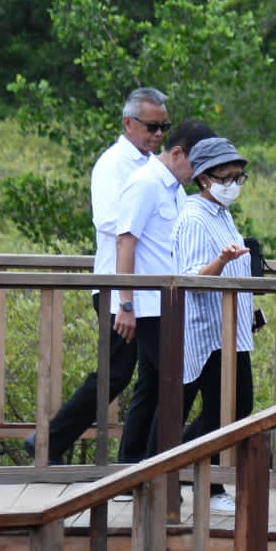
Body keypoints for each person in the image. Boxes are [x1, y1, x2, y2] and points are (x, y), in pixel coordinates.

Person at [28, 87, 170, 463]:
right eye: (151, 126)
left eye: (163, 128)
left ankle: (132, 458)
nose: (157, 135)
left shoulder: (152, 166)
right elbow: (110, 221)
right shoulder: (112, 165)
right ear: (129, 123)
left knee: (149, 375)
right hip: (116, 285)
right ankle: (49, 441)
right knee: (116, 373)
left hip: (148, 288)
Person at [113, 119, 217, 462]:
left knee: (152, 387)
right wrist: (125, 304)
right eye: (196, 164)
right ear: (177, 152)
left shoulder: (175, 189)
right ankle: (161, 465)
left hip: (170, 305)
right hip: (149, 304)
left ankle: (131, 468)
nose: (200, 172)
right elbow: (126, 241)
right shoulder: (145, 184)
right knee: (181, 382)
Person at [174, 138, 256, 515]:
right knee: (222, 411)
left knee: (237, 408)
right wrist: (220, 263)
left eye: (239, 176)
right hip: (209, 332)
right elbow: (190, 276)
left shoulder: (221, 214)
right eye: (227, 177)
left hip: (233, 329)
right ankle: (182, 468)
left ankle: (179, 465)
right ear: (204, 178)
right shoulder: (192, 218)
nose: (234, 184)